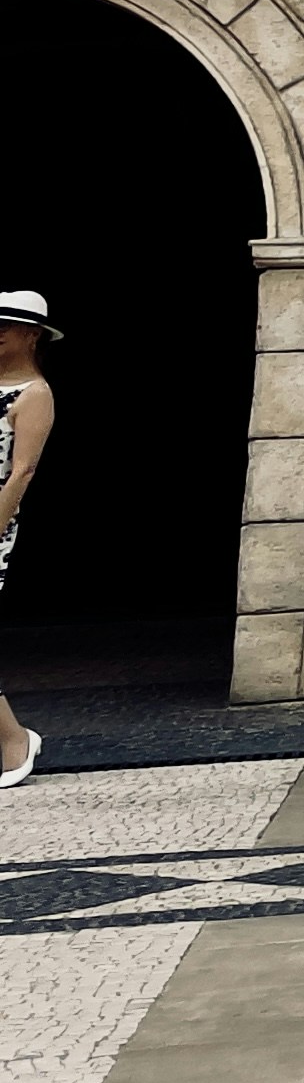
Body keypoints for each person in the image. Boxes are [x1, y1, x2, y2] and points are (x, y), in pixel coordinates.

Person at [0, 288, 58, 787]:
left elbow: (21, 473)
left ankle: (14, 740)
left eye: (5, 326)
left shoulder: (33, 394)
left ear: (32, 334)